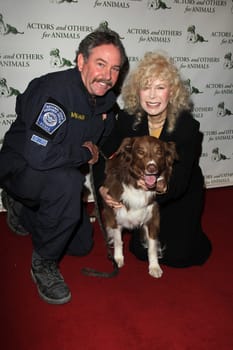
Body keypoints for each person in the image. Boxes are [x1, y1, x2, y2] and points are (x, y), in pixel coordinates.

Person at [0, 26, 128, 304]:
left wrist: (109, 183)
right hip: (21, 167)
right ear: (81, 61)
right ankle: (42, 263)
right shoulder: (55, 92)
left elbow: (104, 150)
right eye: (100, 64)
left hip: (53, 172)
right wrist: (83, 154)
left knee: (81, 245)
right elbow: (38, 156)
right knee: (69, 183)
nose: (107, 76)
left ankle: (21, 208)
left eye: (115, 68)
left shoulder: (105, 102)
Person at [94, 51, 212, 268]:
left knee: (180, 256)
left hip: (178, 193)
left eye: (160, 87)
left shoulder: (187, 127)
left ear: (172, 92)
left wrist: (160, 186)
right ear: (137, 92)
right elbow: (104, 154)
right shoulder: (128, 119)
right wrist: (103, 187)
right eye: (146, 87)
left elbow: (182, 179)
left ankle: (192, 234)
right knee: (140, 251)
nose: (152, 96)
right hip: (140, 193)